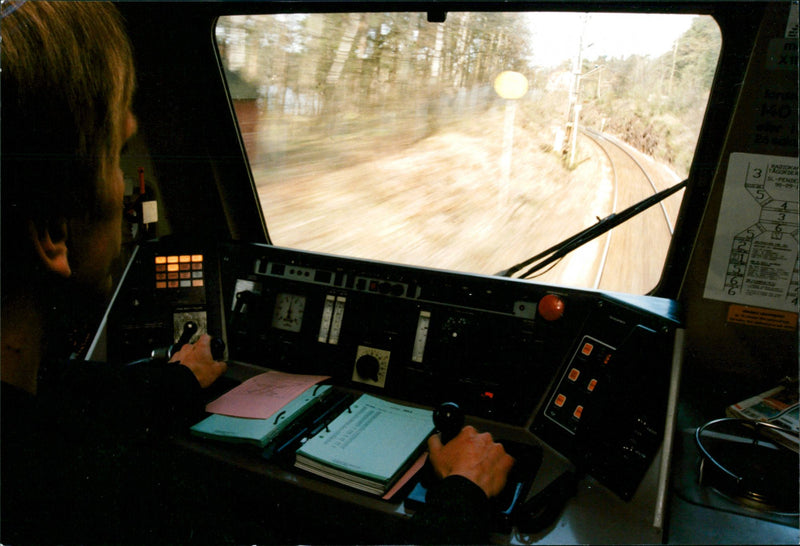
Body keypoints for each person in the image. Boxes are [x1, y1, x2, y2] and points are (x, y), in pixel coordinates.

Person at [0, 2, 513, 543]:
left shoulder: (30, 415)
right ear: (53, 233)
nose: (126, 193)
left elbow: (60, 393)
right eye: (116, 158)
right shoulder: (99, 503)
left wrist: (176, 379)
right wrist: (462, 497)